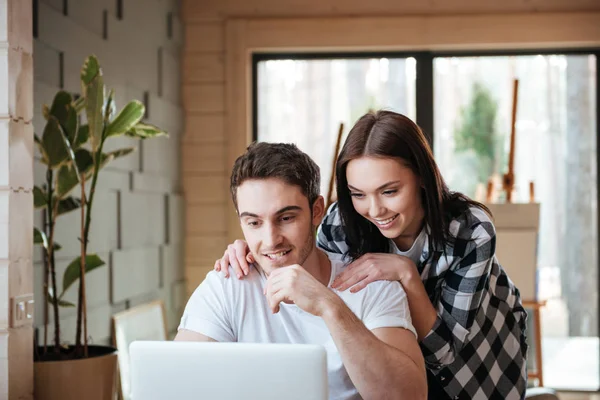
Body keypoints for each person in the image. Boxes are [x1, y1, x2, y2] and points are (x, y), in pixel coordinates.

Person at [216, 111, 528, 400]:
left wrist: (407, 275)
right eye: (358, 194)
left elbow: (443, 352)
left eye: (389, 191)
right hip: (405, 371)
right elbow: (319, 280)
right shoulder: (340, 222)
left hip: (482, 369)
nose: (375, 210)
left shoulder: (471, 229)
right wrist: (258, 251)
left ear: (421, 175)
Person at [176, 142, 427, 400]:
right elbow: (178, 384)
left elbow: (410, 396)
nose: (271, 239)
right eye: (254, 223)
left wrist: (329, 306)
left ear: (316, 211)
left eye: (286, 218)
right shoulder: (227, 285)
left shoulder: (372, 285)